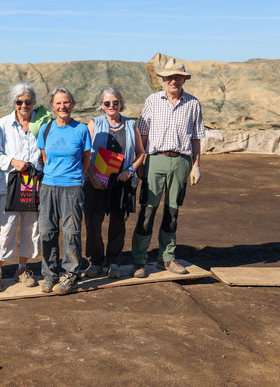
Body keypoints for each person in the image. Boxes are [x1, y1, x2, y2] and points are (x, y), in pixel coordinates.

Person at [130, 58, 205, 278]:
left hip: (181, 161)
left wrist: (196, 166)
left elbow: (196, 137)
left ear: (184, 79)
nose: (174, 80)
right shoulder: (153, 101)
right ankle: (139, 260)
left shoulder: (193, 104)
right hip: (155, 160)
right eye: (170, 77)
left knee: (172, 212)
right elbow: (142, 133)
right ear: (163, 80)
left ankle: (167, 258)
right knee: (148, 210)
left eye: (178, 77)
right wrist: (140, 160)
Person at [0, 82, 51, 292]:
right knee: (7, 226)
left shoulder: (41, 124)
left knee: (32, 227)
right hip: (11, 184)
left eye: (28, 102)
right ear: (14, 103)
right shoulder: (3, 124)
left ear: (34, 103)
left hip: (34, 183)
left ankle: (23, 268)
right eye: (19, 102)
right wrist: (13, 162)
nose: (24, 105)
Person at [83, 88, 145, 279]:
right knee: (93, 223)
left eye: (115, 102)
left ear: (121, 104)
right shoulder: (93, 124)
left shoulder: (131, 125)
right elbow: (84, 154)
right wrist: (92, 178)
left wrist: (130, 171)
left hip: (120, 182)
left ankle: (114, 262)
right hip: (95, 182)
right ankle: (96, 262)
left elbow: (141, 153)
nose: (111, 106)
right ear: (102, 105)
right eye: (107, 103)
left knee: (118, 223)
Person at [37, 87, 91, 295]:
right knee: (47, 231)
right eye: (58, 103)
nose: (62, 106)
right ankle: (49, 275)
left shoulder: (81, 129)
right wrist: (53, 176)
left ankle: (70, 275)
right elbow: (44, 158)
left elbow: (86, 159)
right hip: (48, 186)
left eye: (66, 102)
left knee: (71, 232)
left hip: (72, 188)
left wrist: (77, 178)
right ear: (52, 106)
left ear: (72, 104)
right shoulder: (46, 129)